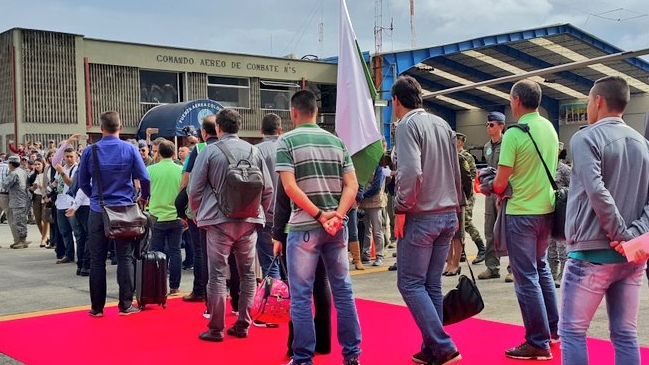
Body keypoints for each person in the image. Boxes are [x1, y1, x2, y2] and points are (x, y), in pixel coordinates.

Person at [562, 76, 649, 365]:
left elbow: (596, 189)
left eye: (588, 101)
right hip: (633, 258)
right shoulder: (644, 145)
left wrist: (621, 235)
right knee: (625, 334)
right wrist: (634, 237)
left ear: (598, 101)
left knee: (572, 331)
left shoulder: (586, 138)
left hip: (591, 252)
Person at [275, 90, 361, 365]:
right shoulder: (337, 142)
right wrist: (337, 214)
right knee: (343, 291)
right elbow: (352, 185)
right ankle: (352, 355)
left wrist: (320, 214)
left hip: (303, 228)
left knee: (301, 297)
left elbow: (289, 187)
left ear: (294, 112)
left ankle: (303, 358)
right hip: (337, 228)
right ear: (316, 112)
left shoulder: (286, 141)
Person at [391, 76, 462, 365]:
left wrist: (400, 207)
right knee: (431, 284)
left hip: (421, 215)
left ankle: (443, 345)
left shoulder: (407, 125)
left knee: (409, 283)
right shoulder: (442, 124)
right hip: (447, 213)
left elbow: (410, 172)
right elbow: (456, 170)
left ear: (396, 101)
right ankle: (432, 347)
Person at [189, 108, 273, 342]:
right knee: (247, 274)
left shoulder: (209, 152)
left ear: (218, 128)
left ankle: (216, 328)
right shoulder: (254, 151)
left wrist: (198, 214)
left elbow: (194, 189)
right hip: (248, 223)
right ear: (239, 127)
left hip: (218, 222)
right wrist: (258, 213)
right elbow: (268, 190)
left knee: (216, 274)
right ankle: (243, 324)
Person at [491, 79, 558, 360]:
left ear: (517, 100)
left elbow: (499, 183)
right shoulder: (549, 128)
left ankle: (537, 341)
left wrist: (493, 185)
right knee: (541, 269)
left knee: (525, 276)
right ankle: (552, 331)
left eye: (510, 99)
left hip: (522, 213)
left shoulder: (515, 135)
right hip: (547, 211)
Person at [78, 111, 150, 317]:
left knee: (97, 260)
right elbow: (144, 178)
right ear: (120, 126)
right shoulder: (130, 148)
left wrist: (93, 196)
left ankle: (97, 308)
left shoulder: (90, 151)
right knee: (125, 258)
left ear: (101, 128)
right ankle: (125, 305)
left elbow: (82, 182)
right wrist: (143, 197)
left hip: (98, 209)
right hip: (123, 209)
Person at [147, 140, 183, 295]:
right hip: (176, 216)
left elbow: (144, 191)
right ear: (174, 153)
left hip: (156, 216)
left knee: (155, 252)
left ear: (159, 153)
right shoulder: (181, 170)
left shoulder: (150, 170)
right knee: (175, 251)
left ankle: (155, 285)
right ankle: (174, 286)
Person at [478, 111, 511, 280]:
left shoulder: (509, 143)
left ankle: (513, 269)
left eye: (491, 125)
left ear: (501, 126)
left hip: (506, 193)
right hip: (490, 192)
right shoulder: (487, 146)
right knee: (489, 229)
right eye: (487, 125)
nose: (488, 127)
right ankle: (492, 267)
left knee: (508, 230)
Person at [254, 113, 282, 280]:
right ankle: (293, 300)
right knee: (291, 263)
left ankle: (277, 301)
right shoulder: (290, 147)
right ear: (280, 129)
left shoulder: (256, 151)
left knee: (269, 262)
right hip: (293, 214)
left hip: (267, 213)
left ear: (261, 130)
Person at [443, 133, 472, 277]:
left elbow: (467, 180)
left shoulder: (460, 158)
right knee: (447, 234)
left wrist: (465, 196)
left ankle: (455, 263)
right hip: (444, 200)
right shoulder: (442, 158)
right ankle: (448, 262)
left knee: (457, 235)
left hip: (457, 199)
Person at [456, 133, 485, 264]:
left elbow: (472, 174)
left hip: (466, 195)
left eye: (455, 140)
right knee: (457, 224)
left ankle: (481, 248)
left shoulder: (466, 157)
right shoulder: (451, 155)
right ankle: (461, 252)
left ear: (460, 142)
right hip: (456, 194)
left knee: (466, 222)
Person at [548, 142, 571, 288]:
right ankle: (551, 273)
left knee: (562, 243)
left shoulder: (564, 169)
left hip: (561, 209)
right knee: (550, 244)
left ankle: (563, 274)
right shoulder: (545, 167)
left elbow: (574, 188)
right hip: (548, 208)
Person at [3, 155, 30, 249]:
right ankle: (21, 240)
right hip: (23, 199)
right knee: (21, 220)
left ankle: (22, 241)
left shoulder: (13, 173)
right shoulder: (22, 171)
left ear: (11, 164)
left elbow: (5, 184)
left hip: (17, 200)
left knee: (19, 221)